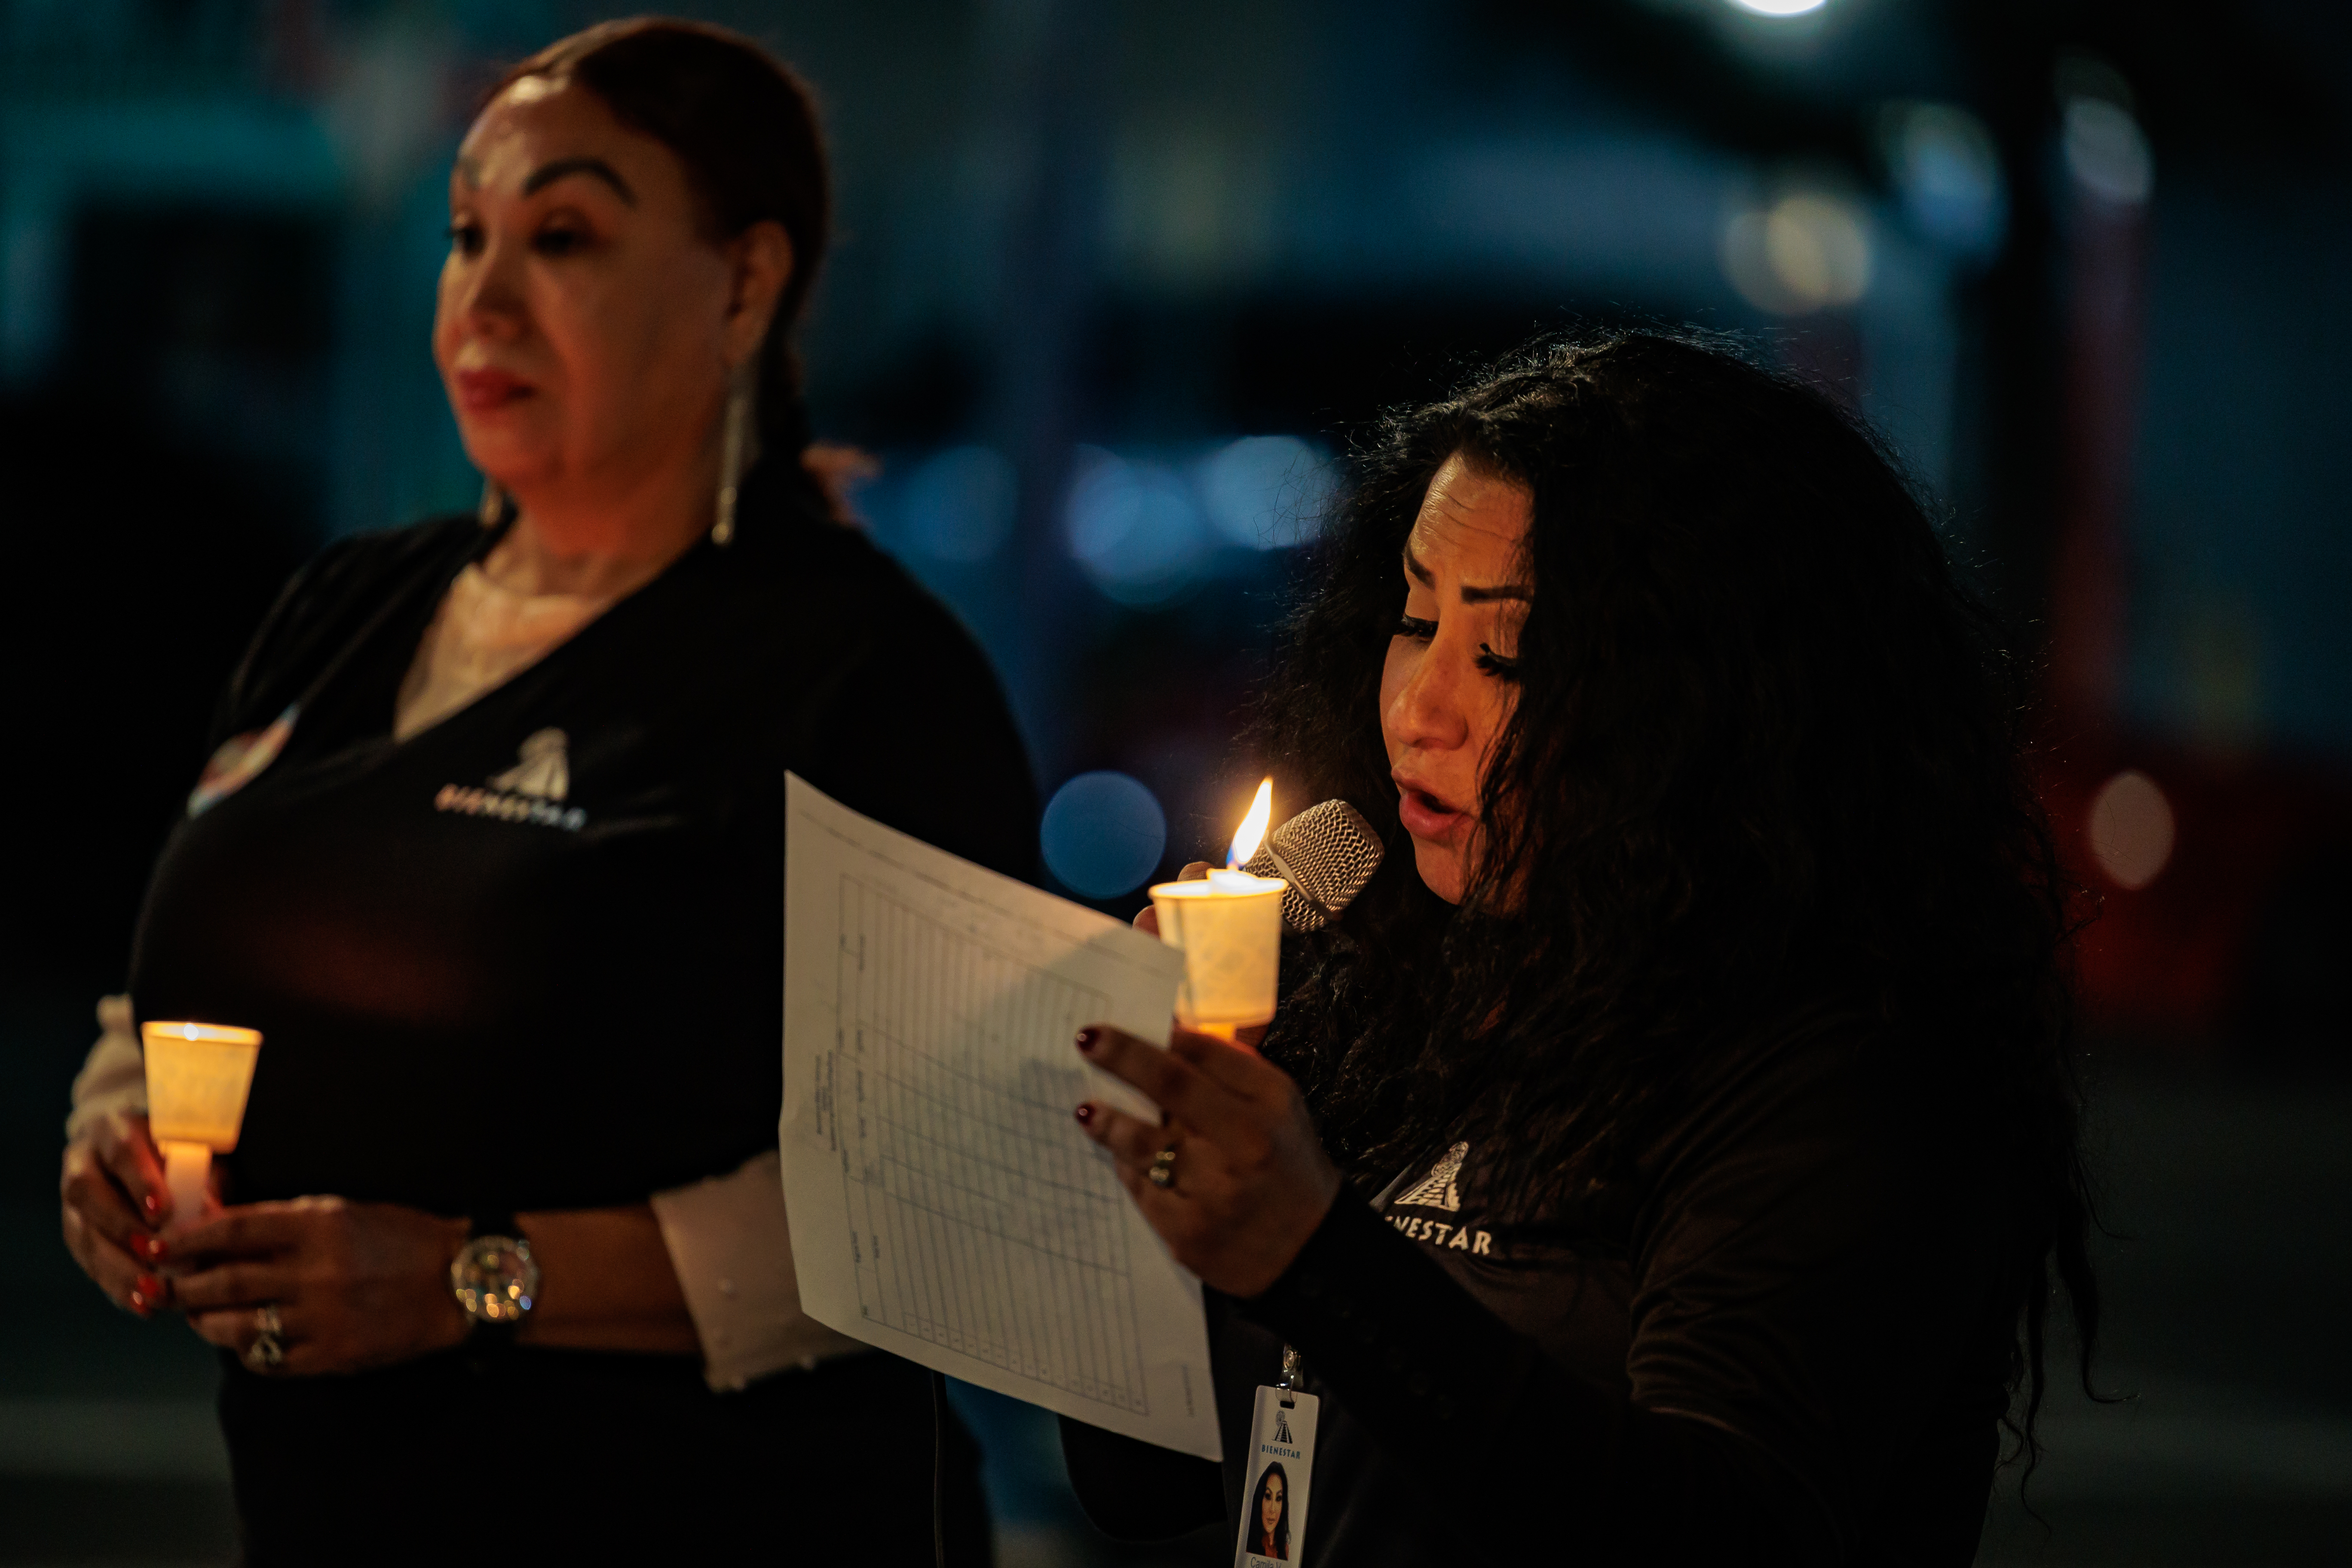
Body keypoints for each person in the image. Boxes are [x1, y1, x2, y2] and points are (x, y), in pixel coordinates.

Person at [56, 18, 1030, 1563]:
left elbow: (961, 1207)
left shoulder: (862, 673)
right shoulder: (346, 605)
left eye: (562, 235)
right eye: (463, 236)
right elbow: (170, 990)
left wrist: (466, 1275)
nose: (483, 300)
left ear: (743, 283)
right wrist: (109, 1146)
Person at [1057, 331, 2098, 1562]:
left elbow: (1726, 1531)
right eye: (1413, 618)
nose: (1416, 708)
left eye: (1503, 654)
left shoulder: (1840, 1077)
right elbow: (1146, 1483)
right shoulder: (1386, 995)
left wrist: (1312, 1251)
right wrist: (1136, 1177)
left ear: (1700, 708)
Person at [1247, 1461, 1291, 1559]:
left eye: (1279, 1498)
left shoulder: (1285, 1549)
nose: (1273, 1509)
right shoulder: (1248, 1545)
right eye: (1268, 1496)